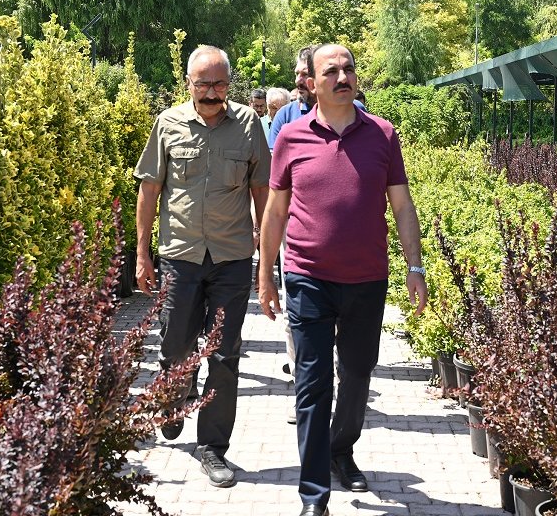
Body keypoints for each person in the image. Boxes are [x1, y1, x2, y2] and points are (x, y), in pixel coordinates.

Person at [257, 43, 428, 516]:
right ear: (310, 83)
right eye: (330, 70)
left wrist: (416, 267)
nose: (342, 76)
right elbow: (275, 211)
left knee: (356, 374)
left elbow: (403, 206)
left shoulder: (382, 135)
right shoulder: (290, 136)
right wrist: (266, 274)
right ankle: (314, 495)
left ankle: (341, 446)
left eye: (348, 67)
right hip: (307, 277)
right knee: (312, 384)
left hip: (367, 279)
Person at [135, 45, 270, 489]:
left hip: (231, 258)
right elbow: (150, 191)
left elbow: (262, 191)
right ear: (188, 83)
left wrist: (265, 251)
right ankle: (175, 398)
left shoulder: (249, 126)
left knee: (225, 355)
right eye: (202, 84)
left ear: (229, 84)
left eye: (219, 84)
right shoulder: (168, 123)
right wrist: (141, 253)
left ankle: (212, 447)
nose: (211, 93)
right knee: (175, 346)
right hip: (180, 256)